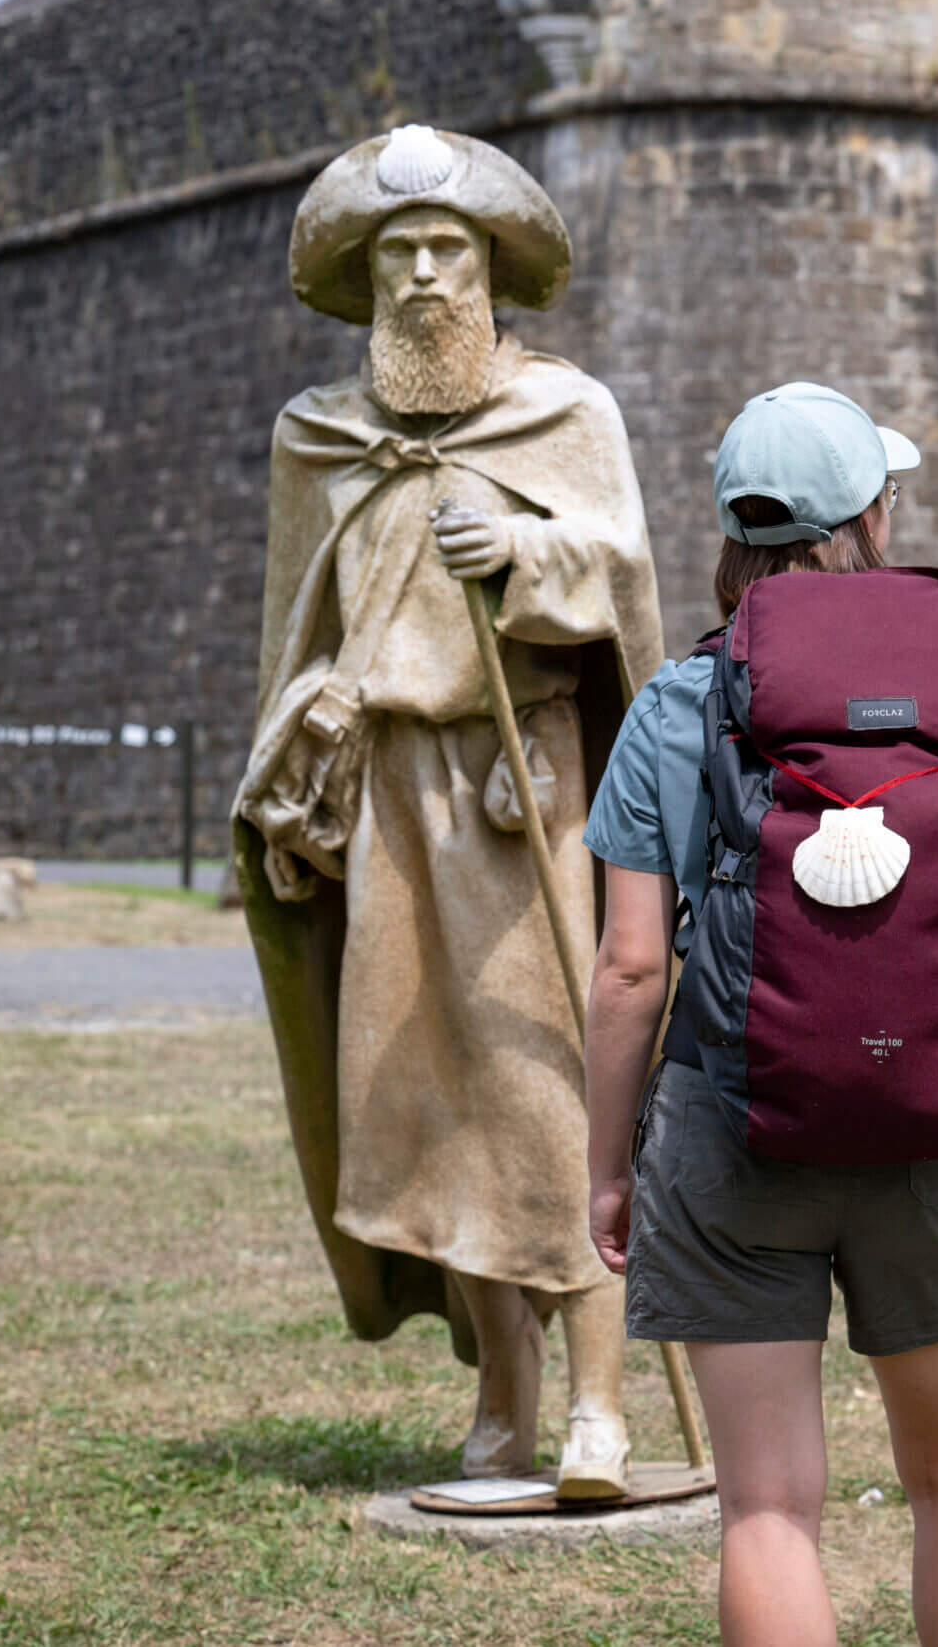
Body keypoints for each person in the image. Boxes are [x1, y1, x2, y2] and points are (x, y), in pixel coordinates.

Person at [235, 125, 665, 1499]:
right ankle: (505, 1396)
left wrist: (527, 552)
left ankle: (603, 1407)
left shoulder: (566, 416)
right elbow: (297, 631)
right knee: (433, 1104)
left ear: (491, 270)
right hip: (386, 802)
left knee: (547, 1089)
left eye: (449, 251)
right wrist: (310, 735)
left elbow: (620, 585)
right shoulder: (322, 439)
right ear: (365, 279)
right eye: (400, 254)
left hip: (518, 786)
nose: (424, 277)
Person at [581, 383, 938, 1645]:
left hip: (730, 1131)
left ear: (730, 532)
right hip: (936, 1128)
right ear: (875, 517)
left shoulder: (677, 704)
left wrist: (610, 1169)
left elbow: (628, 970)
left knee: (768, 1509)